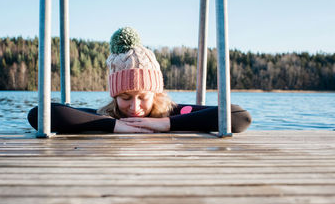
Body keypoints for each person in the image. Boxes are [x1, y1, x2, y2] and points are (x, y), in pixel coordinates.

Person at [28, 27, 251, 133]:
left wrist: (165, 123)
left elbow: (239, 117)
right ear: (114, 95)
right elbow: (39, 115)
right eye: (125, 97)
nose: (135, 107)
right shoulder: (108, 115)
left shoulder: (172, 112)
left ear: (155, 93)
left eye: (143, 97)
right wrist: (115, 126)